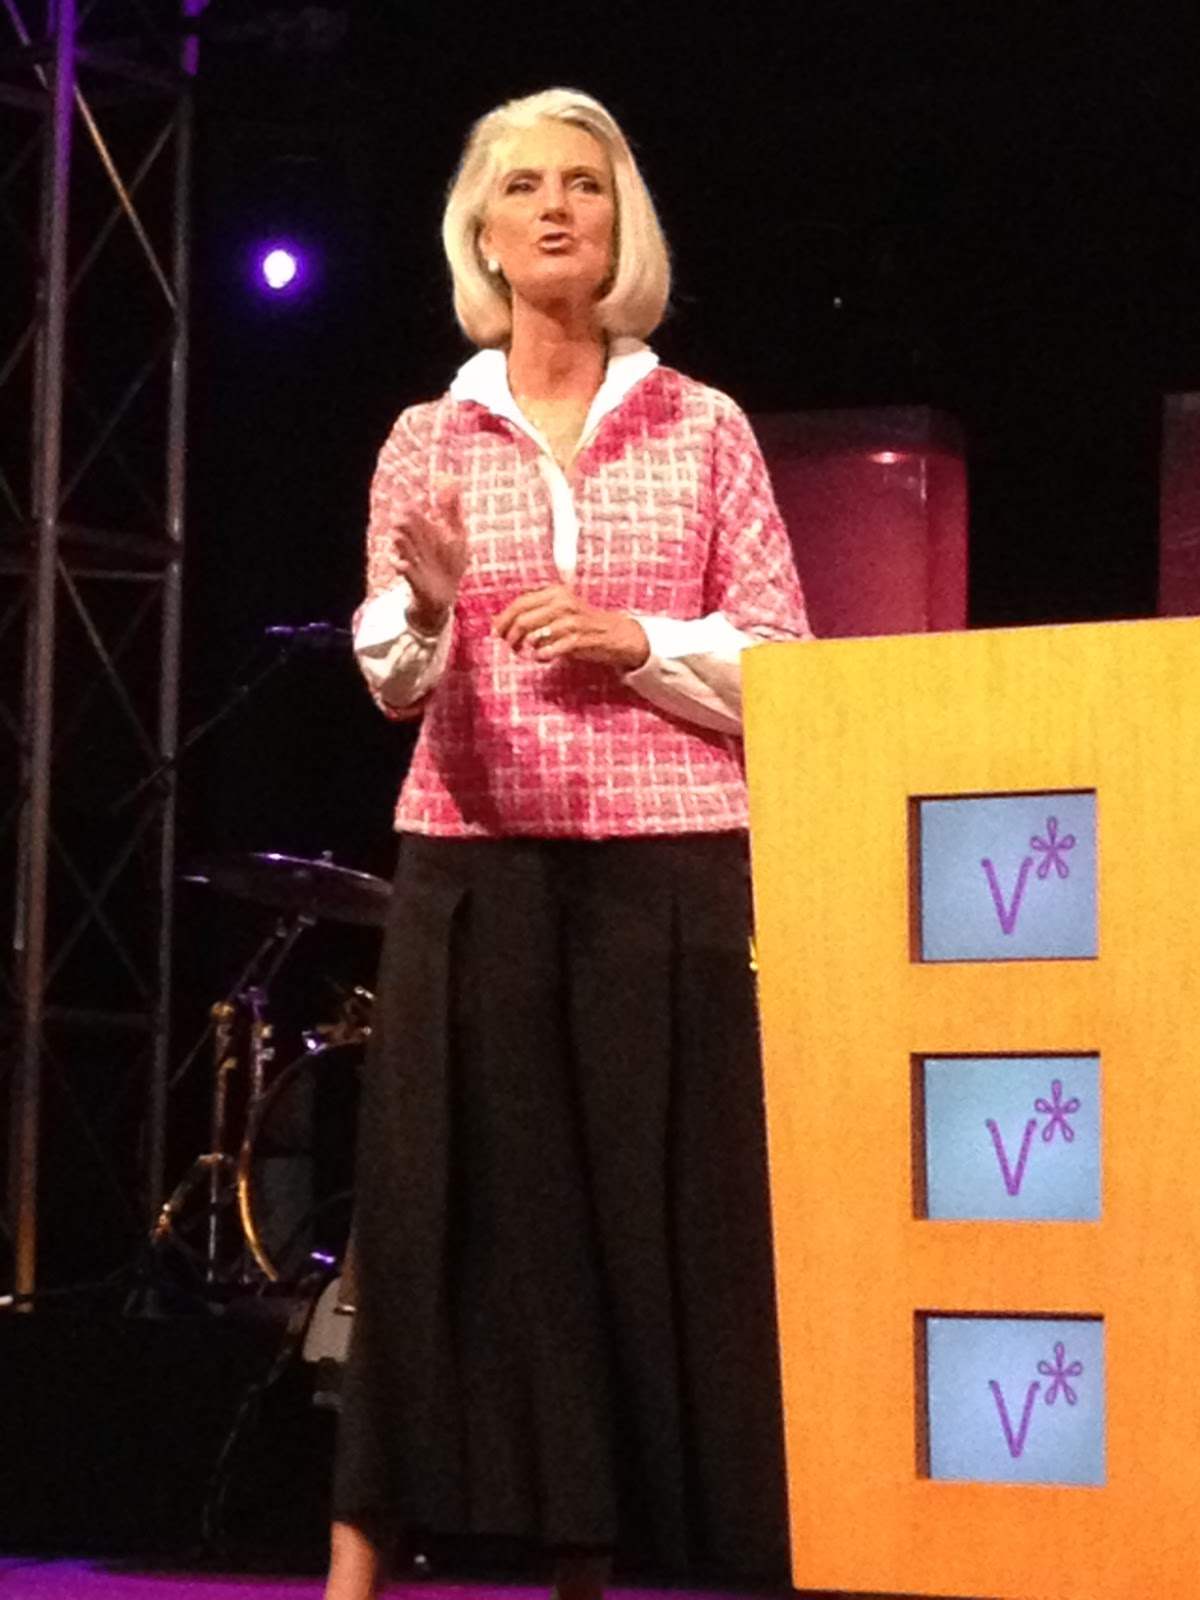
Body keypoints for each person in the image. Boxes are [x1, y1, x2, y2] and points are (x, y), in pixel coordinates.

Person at [326, 87, 811, 1600]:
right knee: (452, 1214)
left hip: (669, 867)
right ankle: (360, 1559)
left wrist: (635, 641)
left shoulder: (704, 425)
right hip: (475, 864)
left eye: (585, 187)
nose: (556, 208)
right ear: (480, 230)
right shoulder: (428, 437)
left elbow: (787, 663)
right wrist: (429, 603)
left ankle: (618, 1559)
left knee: (659, 1221)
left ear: (621, 225)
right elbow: (390, 677)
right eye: (526, 186)